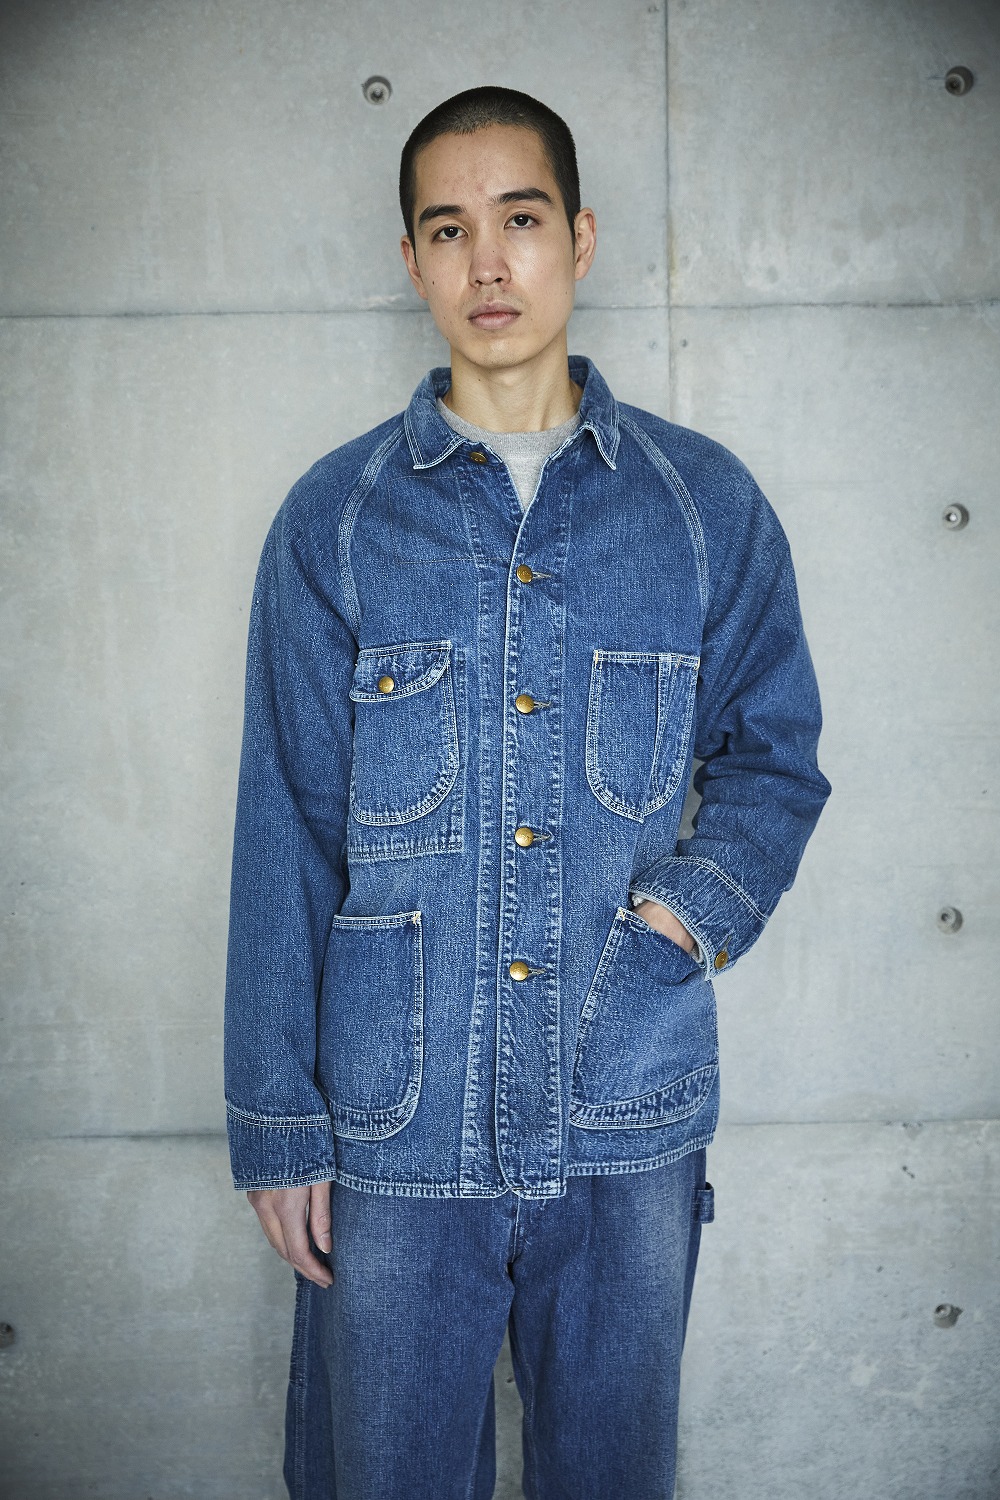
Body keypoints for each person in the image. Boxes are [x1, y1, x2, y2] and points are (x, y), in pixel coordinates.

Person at [223, 85, 831, 1500]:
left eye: (521, 218)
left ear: (581, 238)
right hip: (393, 1134)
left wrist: (677, 924)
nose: (488, 262)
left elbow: (775, 757)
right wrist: (277, 1125)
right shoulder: (337, 522)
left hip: (629, 1112)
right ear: (412, 260)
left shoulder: (701, 508)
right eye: (449, 229)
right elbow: (285, 826)